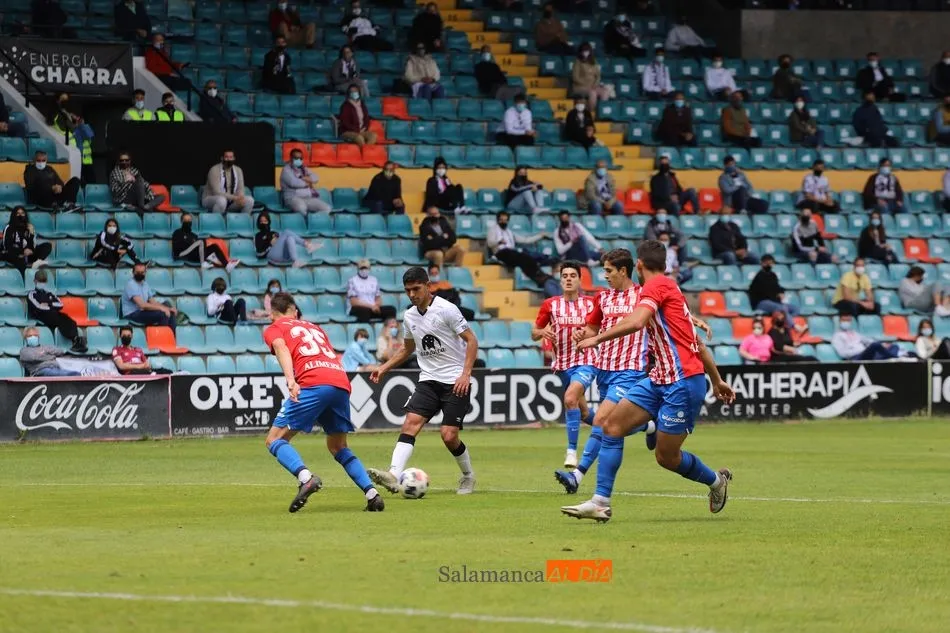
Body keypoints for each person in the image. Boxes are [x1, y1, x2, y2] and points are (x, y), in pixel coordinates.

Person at [564, 240, 735, 521]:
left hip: (682, 382)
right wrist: (717, 381)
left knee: (666, 457)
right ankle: (600, 502)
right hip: (659, 378)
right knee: (612, 425)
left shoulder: (657, 287)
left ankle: (716, 481)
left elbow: (636, 323)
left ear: (639, 265)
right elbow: (697, 343)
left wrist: (595, 338)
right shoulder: (665, 290)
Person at [263, 292, 385, 512]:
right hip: (340, 382)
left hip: (313, 383)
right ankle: (372, 494)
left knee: (274, 439)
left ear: (272, 314)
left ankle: (305, 477)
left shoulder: (274, 328)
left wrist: (291, 380)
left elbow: (281, 349)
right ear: (295, 311)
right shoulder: (315, 327)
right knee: (338, 446)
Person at [366, 267, 479, 495]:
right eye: (408, 290)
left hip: (455, 380)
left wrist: (465, 374)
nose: (412, 294)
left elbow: (471, 340)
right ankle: (393, 474)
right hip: (428, 380)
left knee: (449, 435)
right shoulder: (409, 316)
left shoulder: (447, 309)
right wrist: (384, 367)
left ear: (428, 286)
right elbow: (407, 348)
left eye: (416, 289)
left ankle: (468, 476)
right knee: (410, 423)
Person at [532, 261, 599, 469]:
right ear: (560, 281)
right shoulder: (550, 305)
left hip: (587, 360)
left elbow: (600, 329)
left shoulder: (591, 304)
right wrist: (542, 332)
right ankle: (642, 426)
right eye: (565, 276)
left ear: (579, 280)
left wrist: (587, 334)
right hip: (563, 365)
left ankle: (571, 452)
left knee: (569, 399)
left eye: (572, 275)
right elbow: (534, 332)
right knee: (585, 414)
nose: (568, 279)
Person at [27, 269, 87, 353]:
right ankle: (75, 339)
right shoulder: (32, 294)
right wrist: (50, 305)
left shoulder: (49, 294)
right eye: (40, 281)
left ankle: (76, 340)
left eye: (43, 281)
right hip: (41, 315)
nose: (42, 282)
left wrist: (49, 305)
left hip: (52, 314)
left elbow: (60, 304)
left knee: (69, 319)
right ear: (35, 281)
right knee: (57, 318)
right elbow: (37, 307)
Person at [486, 211, 547, 282]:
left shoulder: (509, 232)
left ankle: (538, 276)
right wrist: (499, 242)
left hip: (511, 253)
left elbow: (525, 240)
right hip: (500, 253)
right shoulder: (492, 230)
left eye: (505, 220)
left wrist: (540, 236)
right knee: (519, 256)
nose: (503, 222)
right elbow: (489, 244)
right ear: (498, 220)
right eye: (501, 220)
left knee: (526, 259)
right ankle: (538, 275)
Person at [172, 212, 238, 270]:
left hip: (194, 256)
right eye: (185, 220)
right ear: (181, 222)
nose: (188, 222)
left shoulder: (193, 235)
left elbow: (198, 249)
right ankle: (203, 264)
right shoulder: (177, 232)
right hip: (182, 254)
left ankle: (227, 265)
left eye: (189, 220)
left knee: (214, 246)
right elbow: (176, 248)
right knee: (201, 241)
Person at [121, 261, 177, 329]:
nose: (140, 274)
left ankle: (172, 337)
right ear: (133, 272)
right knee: (163, 314)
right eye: (137, 272)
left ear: (145, 273)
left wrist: (168, 309)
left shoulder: (145, 284)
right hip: (132, 314)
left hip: (142, 312)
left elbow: (153, 302)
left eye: (142, 272)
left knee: (169, 307)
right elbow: (142, 305)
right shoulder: (130, 285)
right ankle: (161, 338)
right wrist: (162, 308)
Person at [748, 254, 798, 323]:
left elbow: (777, 287)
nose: (769, 265)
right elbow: (764, 292)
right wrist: (776, 296)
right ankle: (793, 325)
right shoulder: (758, 277)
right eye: (767, 263)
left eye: (771, 263)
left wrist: (781, 292)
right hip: (762, 303)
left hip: (774, 302)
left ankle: (784, 323)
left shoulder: (773, 275)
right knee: (782, 308)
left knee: (795, 308)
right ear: (762, 263)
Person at [831, 313, 900, 361]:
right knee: (875, 345)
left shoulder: (854, 333)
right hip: (856, 358)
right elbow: (843, 354)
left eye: (848, 320)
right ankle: (895, 358)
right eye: (844, 320)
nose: (846, 322)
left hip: (867, 354)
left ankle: (891, 357)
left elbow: (867, 341)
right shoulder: (837, 336)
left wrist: (883, 344)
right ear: (840, 321)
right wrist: (862, 350)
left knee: (894, 346)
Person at [3, 206, 52, 275]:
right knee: (19, 258)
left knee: (47, 245)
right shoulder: (9, 228)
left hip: (28, 255)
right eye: (18, 213)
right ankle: (24, 281)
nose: (20, 215)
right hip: (14, 254)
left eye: (22, 213)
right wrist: (22, 251)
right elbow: (7, 246)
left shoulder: (29, 227)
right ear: (14, 215)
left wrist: (31, 234)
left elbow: (33, 246)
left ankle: (38, 262)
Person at [280, 149, 331, 214]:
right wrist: (308, 181)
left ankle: (313, 220)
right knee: (302, 208)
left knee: (326, 208)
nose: (298, 160)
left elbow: (316, 178)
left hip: (307, 197)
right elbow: (294, 183)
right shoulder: (286, 170)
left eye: (300, 158)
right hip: (292, 198)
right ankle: (305, 223)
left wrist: (304, 178)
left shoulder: (303, 168)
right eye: (296, 158)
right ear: (291, 158)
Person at [572, 43, 610, 111]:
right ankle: (591, 111)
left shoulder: (594, 61)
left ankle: (601, 111)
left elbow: (598, 75)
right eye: (584, 51)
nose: (585, 53)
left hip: (593, 86)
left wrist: (595, 84)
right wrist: (587, 85)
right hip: (580, 87)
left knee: (605, 92)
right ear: (581, 52)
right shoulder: (577, 62)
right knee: (593, 93)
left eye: (587, 51)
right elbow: (575, 77)